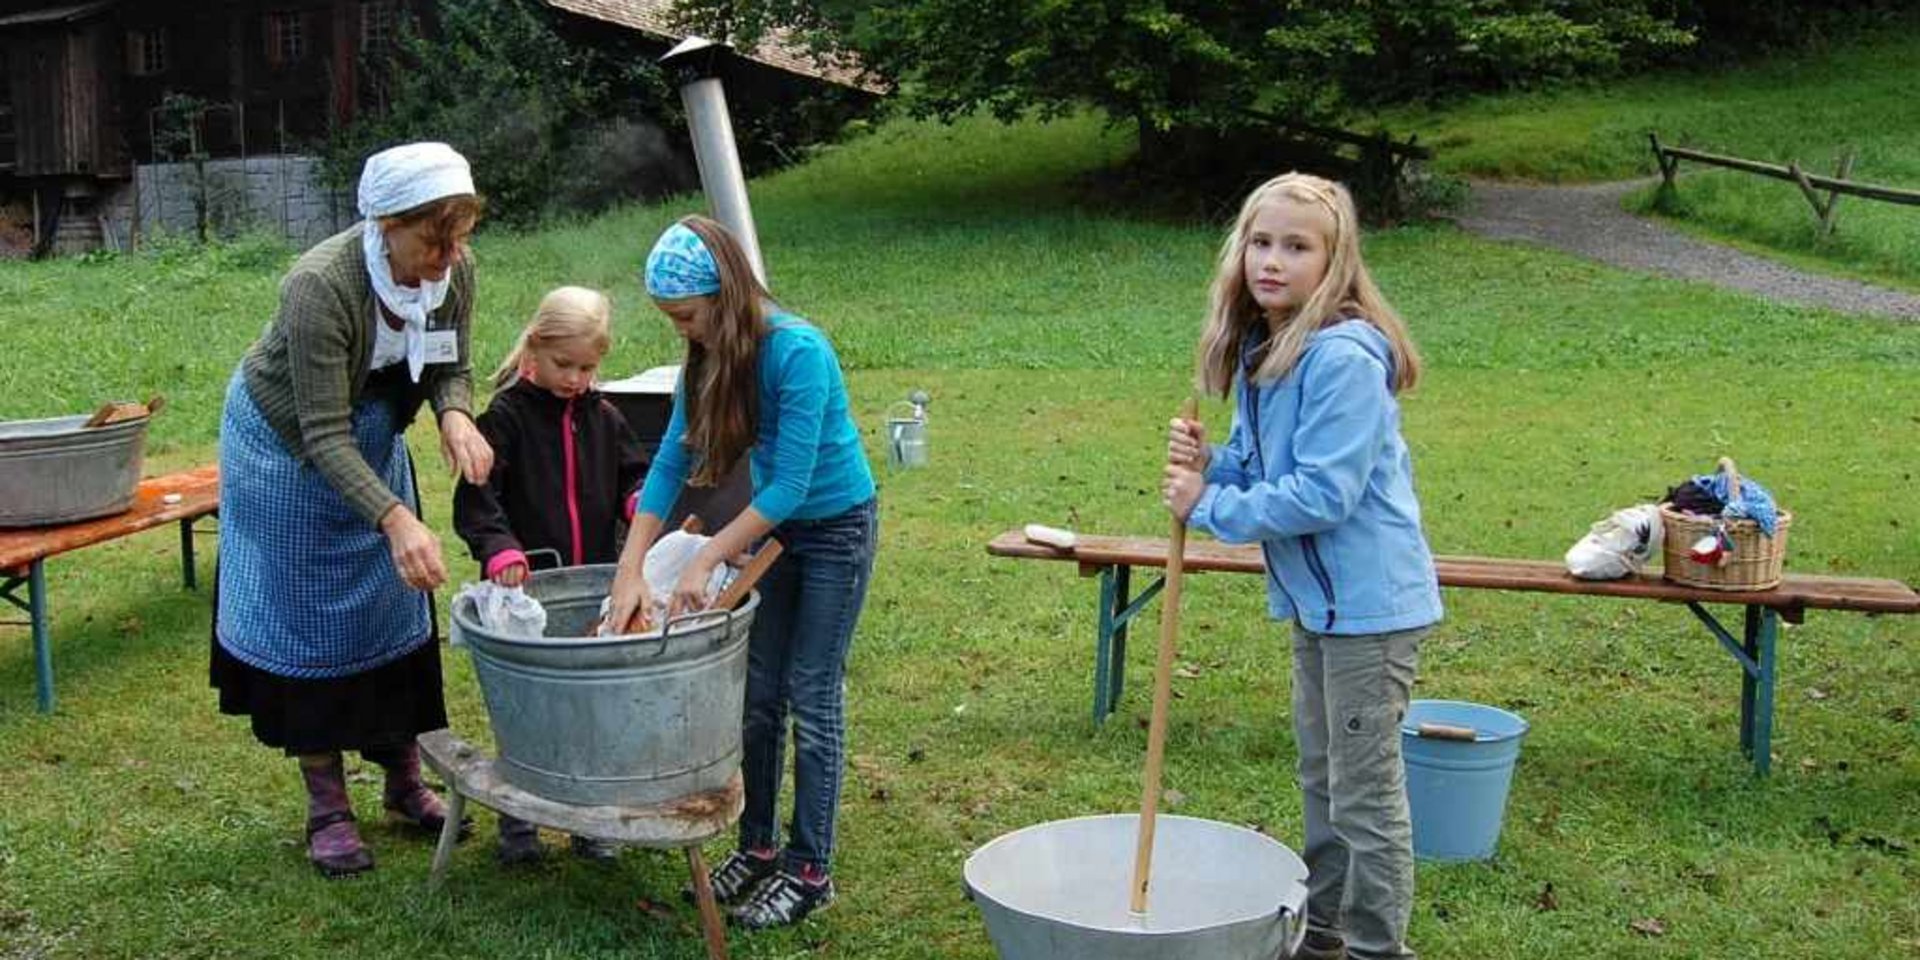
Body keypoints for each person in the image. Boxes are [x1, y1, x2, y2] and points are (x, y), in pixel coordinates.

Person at [1162, 172, 1443, 960]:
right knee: (1322, 779)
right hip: (1319, 607)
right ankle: (1322, 935)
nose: (1272, 261)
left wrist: (1204, 507)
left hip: (1370, 612)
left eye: (1296, 246)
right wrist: (1212, 466)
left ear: (1335, 260)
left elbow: (1323, 494)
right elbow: (1259, 466)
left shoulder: (1342, 359)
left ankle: (1375, 948)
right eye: (1260, 242)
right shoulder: (1268, 347)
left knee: (1364, 795)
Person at [211, 142, 492, 878]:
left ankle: (404, 782)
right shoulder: (321, 286)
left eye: (458, 236)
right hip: (285, 446)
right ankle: (327, 804)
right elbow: (321, 432)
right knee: (309, 615)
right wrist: (396, 515)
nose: (449, 255)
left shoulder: (453, 271)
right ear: (386, 223)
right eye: (434, 238)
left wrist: (454, 414)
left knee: (390, 604)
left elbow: (452, 362)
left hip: (367, 430)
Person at [606, 215, 877, 929]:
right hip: (776, 531)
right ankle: (758, 849)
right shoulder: (707, 360)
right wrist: (630, 565)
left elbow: (790, 483)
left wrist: (707, 553)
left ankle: (810, 869)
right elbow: (670, 459)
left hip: (835, 529)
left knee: (811, 696)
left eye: (688, 317)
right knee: (759, 694)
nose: (683, 332)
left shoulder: (797, 352)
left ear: (723, 298)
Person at [451, 285, 646, 864]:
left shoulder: (605, 418)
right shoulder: (505, 419)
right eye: (565, 365)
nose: (577, 379)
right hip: (525, 593)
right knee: (528, 709)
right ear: (534, 348)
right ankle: (520, 820)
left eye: (588, 367)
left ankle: (590, 819)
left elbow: (634, 473)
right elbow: (477, 498)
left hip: (592, 590)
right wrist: (499, 549)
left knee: (595, 709)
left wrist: (636, 501)